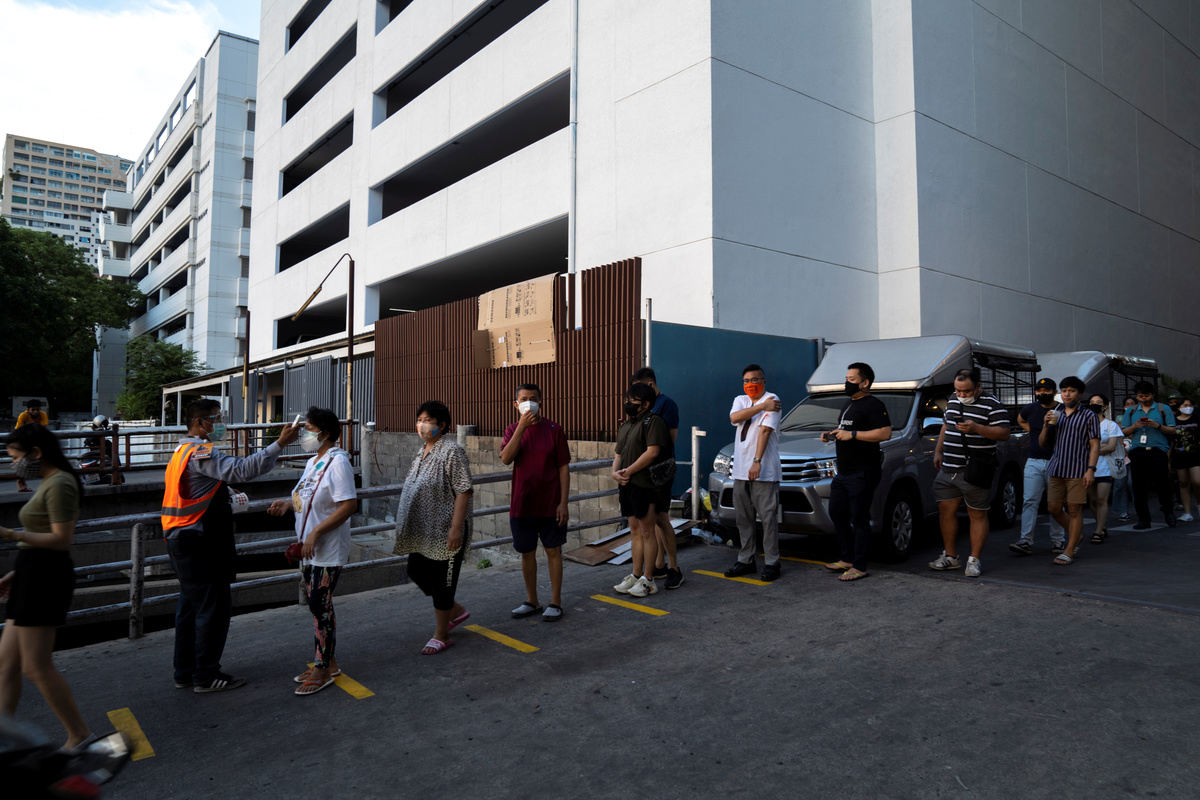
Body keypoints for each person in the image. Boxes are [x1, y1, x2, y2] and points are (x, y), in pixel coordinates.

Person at [162, 399, 300, 692]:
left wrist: (221, 489)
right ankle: (205, 675)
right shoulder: (200, 451)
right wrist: (280, 444)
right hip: (200, 545)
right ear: (199, 423)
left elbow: (195, 487)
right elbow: (242, 469)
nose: (220, 423)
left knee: (190, 609)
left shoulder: (180, 451)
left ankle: (185, 672)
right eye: (216, 418)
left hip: (181, 541)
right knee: (213, 610)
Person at [0, 424, 95, 751]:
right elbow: (40, 539)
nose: (14, 464)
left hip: (45, 578)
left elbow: (61, 539)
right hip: (32, 572)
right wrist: (18, 573)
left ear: (36, 453)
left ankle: (79, 735)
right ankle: (5, 739)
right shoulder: (50, 481)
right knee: (6, 663)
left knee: (35, 666)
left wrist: (9, 534)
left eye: (16, 457)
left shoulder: (61, 483)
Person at [268, 407, 357, 696]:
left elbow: (348, 505)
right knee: (317, 606)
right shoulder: (312, 462)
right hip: (309, 549)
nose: (304, 434)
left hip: (327, 549)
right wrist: (287, 504)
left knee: (320, 605)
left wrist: (317, 532)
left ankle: (322, 668)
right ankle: (329, 663)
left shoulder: (338, 462)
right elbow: (306, 497)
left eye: (308, 428)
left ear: (325, 433)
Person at [393, 401, 473, 654]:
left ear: (442, 425)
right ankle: (455, 610)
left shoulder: (452, 451)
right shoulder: (422, 451)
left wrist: (455, 529)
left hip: (445, 531)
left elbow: (463, 490)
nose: (421, 425)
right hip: (423, 532)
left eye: (427, 420)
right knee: (416, 570)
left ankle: (442, 634)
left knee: (442, 583)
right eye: (419, 419)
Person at [929, 368, 1011, 577]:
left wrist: (978, 428)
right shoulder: (953, 400)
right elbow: (946, 425)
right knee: (946, 511)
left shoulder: (992, 404)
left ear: (978, 386)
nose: (961, 395)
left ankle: (974, 560)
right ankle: (951, 556)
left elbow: (1004, 433)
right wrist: (938, 451)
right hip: (948, 467)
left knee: (977, 514)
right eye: (958, 390)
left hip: (975, 469)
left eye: (966, 391)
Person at [500, 384, 571, 621]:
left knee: (553, 551)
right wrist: (522, 427)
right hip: (522, 505)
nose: (528, 403)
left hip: (551, 505)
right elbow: (505, 458)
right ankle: (532, 601)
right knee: (527, 553)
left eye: (533, 399)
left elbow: (563, 467)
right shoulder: (512, 430)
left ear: (541, 402)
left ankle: (555, 602)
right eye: (523, 399)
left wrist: (563, 503)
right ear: (515, 404)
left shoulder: (554, 429)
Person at [822, 363, 892, 581]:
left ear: (865, 383)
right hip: (843, 472)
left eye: (851, 379)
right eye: (846, 379)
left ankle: (860, 566)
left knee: (859, 518)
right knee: (837, 513)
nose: (847, 383)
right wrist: (832, 433)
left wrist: (852, 434)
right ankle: (847, 559)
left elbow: (885, 433)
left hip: (863, 472)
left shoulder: (874, 404)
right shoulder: (849, 404)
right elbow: (847, 430)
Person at [724, 364, 784, 581]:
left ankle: (772, 562)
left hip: (763, 470)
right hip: (740, 470)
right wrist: (761, 406)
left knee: (767, 518)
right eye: (747, 381)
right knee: (743, 518)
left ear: (764, 381)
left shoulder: (773, 399)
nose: (751, 384)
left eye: (755, 380)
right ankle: (746, 559)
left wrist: (756, 462)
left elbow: (765, 431)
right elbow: (735, 418)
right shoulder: (741, 400)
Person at [611, 383, 671, 597]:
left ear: (646, 404)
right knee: (634, 530)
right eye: (627, 399)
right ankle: (636, 575)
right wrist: (615, 473)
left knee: (647, 531)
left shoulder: (654, 422)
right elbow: (618, 455)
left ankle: (649, 579)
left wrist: (627, 471)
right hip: (627, 485)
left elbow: (652, 452)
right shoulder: (626, 425)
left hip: (645, 485)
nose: (628, 403)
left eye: (633, 400)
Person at [631, 367, 684, 589]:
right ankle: (659, 565)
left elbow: (670, 438)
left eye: (639, 389)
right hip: (643, 471)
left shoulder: (666, 404)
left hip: (660, 470)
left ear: (650, 385)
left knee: (662, 519)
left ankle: (674, 568)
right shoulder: (644, 406)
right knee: (649, 520)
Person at [1041, 377, 1100, 565]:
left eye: (1072, 391)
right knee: (1053, 508)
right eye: (1064, 390)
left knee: (1074, 509)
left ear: (1080, 394)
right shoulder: (1056, 412)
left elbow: (1095, 445)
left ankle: (1069, 549)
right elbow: (1042, 443)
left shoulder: (1089, 415)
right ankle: (1077, 535)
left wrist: (1090, 469)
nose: (1067, 394)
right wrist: (1045, 424)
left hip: (1078, 468)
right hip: (1057, 466)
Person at [1010, 379, 1066, 555]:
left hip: (1056, 460)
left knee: (1056, 503)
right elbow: (1020, 419)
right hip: (1034, 460)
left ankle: (1058, 540)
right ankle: (1025, 540)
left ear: (1054, 392)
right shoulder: (1030, 408)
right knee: (1029, 501)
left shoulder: (1063, 409)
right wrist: (1033, 433)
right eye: (1039, 390)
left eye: (1046, 390)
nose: (1042, 393)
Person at [1120, 381, 1177, 530]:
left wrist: (1157, 426)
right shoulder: (1131, 411)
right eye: (1141, 396)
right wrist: (1135, 426)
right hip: (1138, 451)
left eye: (1147, 395)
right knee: (1139, 487)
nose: (1144, 399)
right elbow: (1123, 432)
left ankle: (1168, 512)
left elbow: (1172, 430)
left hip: (1158, 450)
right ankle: (1143, 519)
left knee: (1162, 484)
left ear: (1152, 394)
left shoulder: (1163, 409)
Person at [1085, 394, 1123, 544]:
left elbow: (1111, 446)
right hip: (1088, 467)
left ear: (1105, 406)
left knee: (1102, 499)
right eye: (1091, 402)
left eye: (1098, 402)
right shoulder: (1085, 424)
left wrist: (1092, 450)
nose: (1094, 404)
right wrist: (1100, 447)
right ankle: (1101, 526)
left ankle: (1098, 531)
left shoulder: (1110, 425)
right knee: (1093, 500)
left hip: (1105, 467)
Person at [13, 400, 49, 492]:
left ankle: (49, 484)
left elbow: (43, 430)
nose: (35, 412)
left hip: (36, 440)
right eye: (33, 410)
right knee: (23, 462)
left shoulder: (43, 414)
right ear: (28, 410)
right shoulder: (23, 416)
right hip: (23, 440)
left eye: (37, 409)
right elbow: (18, 431)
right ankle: (21, 483)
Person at [1172, 398, 1199, 522]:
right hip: (1179, 456)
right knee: (1183, 483)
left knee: (1197, 481)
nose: (1189, 407)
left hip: (1196, 455)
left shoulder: (1197, 419)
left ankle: (1199, 504)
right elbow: (1171, 440)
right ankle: (1187, 512)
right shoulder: (1174, 421)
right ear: (1179, 407)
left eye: (1191, 405)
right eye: (1185, 405)